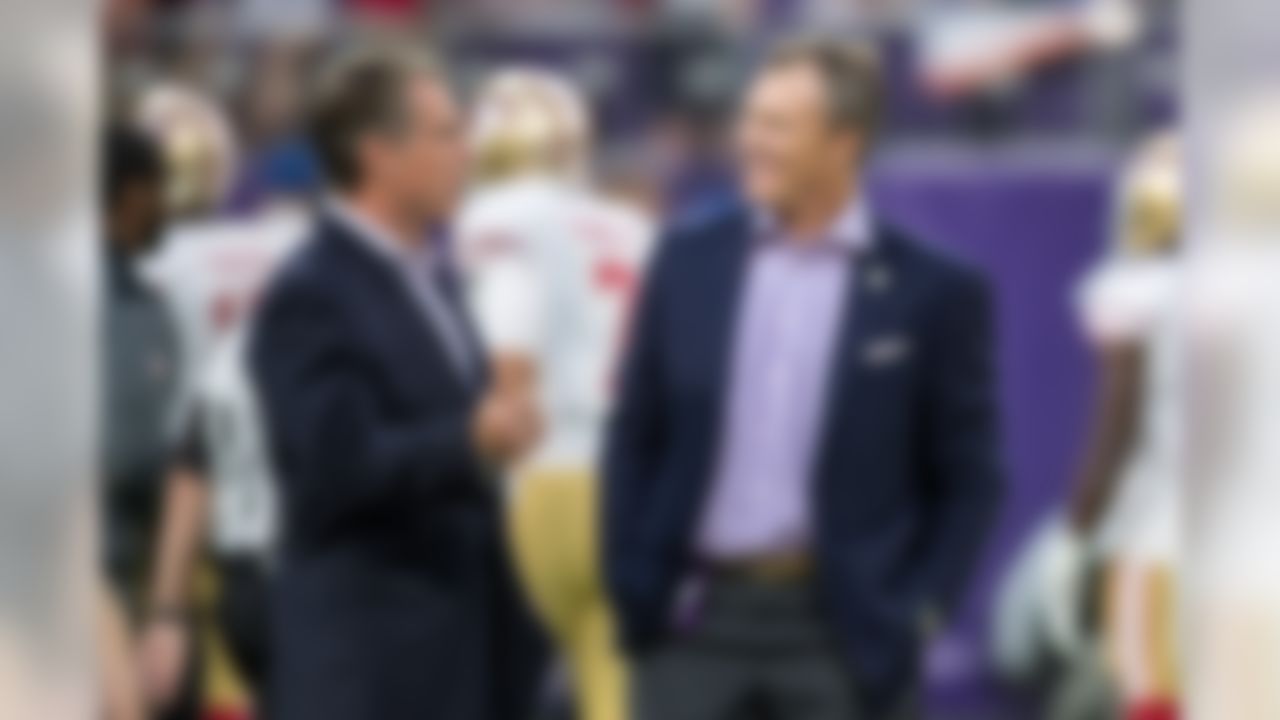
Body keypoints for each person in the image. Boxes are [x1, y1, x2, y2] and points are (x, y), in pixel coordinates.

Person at [604, 39, 1004, 720]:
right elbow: (634, 433)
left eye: (778, 126)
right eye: (750, 119)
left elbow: (970, 478)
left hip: (844, 635)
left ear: (845, 142)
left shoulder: (935, 290)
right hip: (690, 628)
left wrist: (915, 611)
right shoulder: (685, 258)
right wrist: (633, 584)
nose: (749, 141)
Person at [248, 47, 545, 720]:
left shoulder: (434, 277)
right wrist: (469, 439)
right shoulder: (312, 290)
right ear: (379, 153)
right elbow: (331, 467)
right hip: (370, 661)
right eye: (445, 133)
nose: (467, 151)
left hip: (458, 647)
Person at [455, 67, 655, 720]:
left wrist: (497, 444)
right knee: (610, 683)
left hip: (550, 471)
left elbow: (512, 331)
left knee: (540, 676)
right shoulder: (628, 223)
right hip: (632, 474)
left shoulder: (501, 213)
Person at [102, 123, 203, 720]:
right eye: (160, 188)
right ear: (133, 193)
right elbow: (137, 458)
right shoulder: (128, 310)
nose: (169, 206)